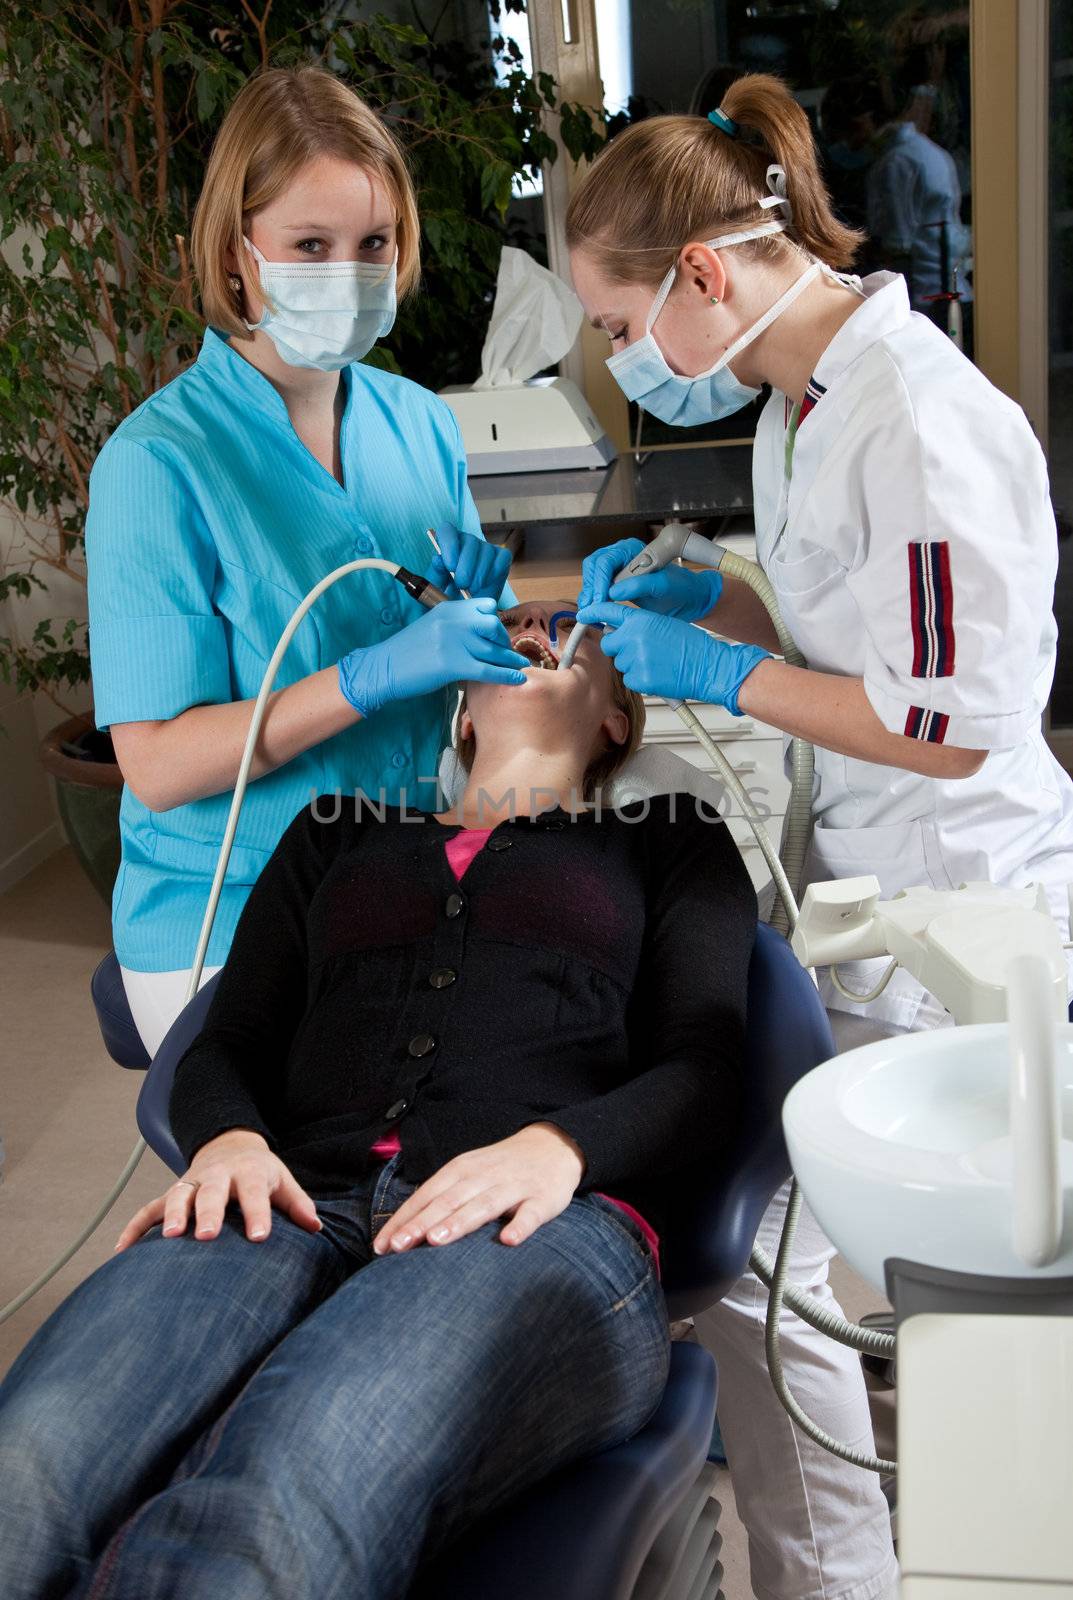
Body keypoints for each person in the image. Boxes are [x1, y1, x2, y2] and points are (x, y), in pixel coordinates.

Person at [566, 69, 1073, 1600]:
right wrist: (712, 604)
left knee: (886, 1284)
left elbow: (953, 715)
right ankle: (835, 1570)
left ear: (702, 276)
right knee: (772, 1259)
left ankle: (897, 1564)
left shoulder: (915, 415)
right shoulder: (801, 402)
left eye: (612, 325)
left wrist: (724, 675)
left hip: (956, 901)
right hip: (866, 877)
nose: (618, 360)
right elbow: (839, 627)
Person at [0, 602, 758, 1600]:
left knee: (278, 1485)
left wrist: (556, 1149)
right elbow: (228, 1038)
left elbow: (707, 1066)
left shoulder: (670, 841)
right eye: (516, 630)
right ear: (462, 709)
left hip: (539, 1224)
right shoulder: (334, 834)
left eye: (568, 633)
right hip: (283, 1194)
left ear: (617, 717)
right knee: (33, 1464)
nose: (537, 632)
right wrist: (226, 1137)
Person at [85, 66, 526, 1057]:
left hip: (404, 865)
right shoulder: (158, 465)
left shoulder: (418, 422)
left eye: (372, 244)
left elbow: (449, 673)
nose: (349, 272)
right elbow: (157, 767)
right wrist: (366, 679)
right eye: (310, 247)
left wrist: (489, 648)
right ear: (239, 255)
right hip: (227, 909)